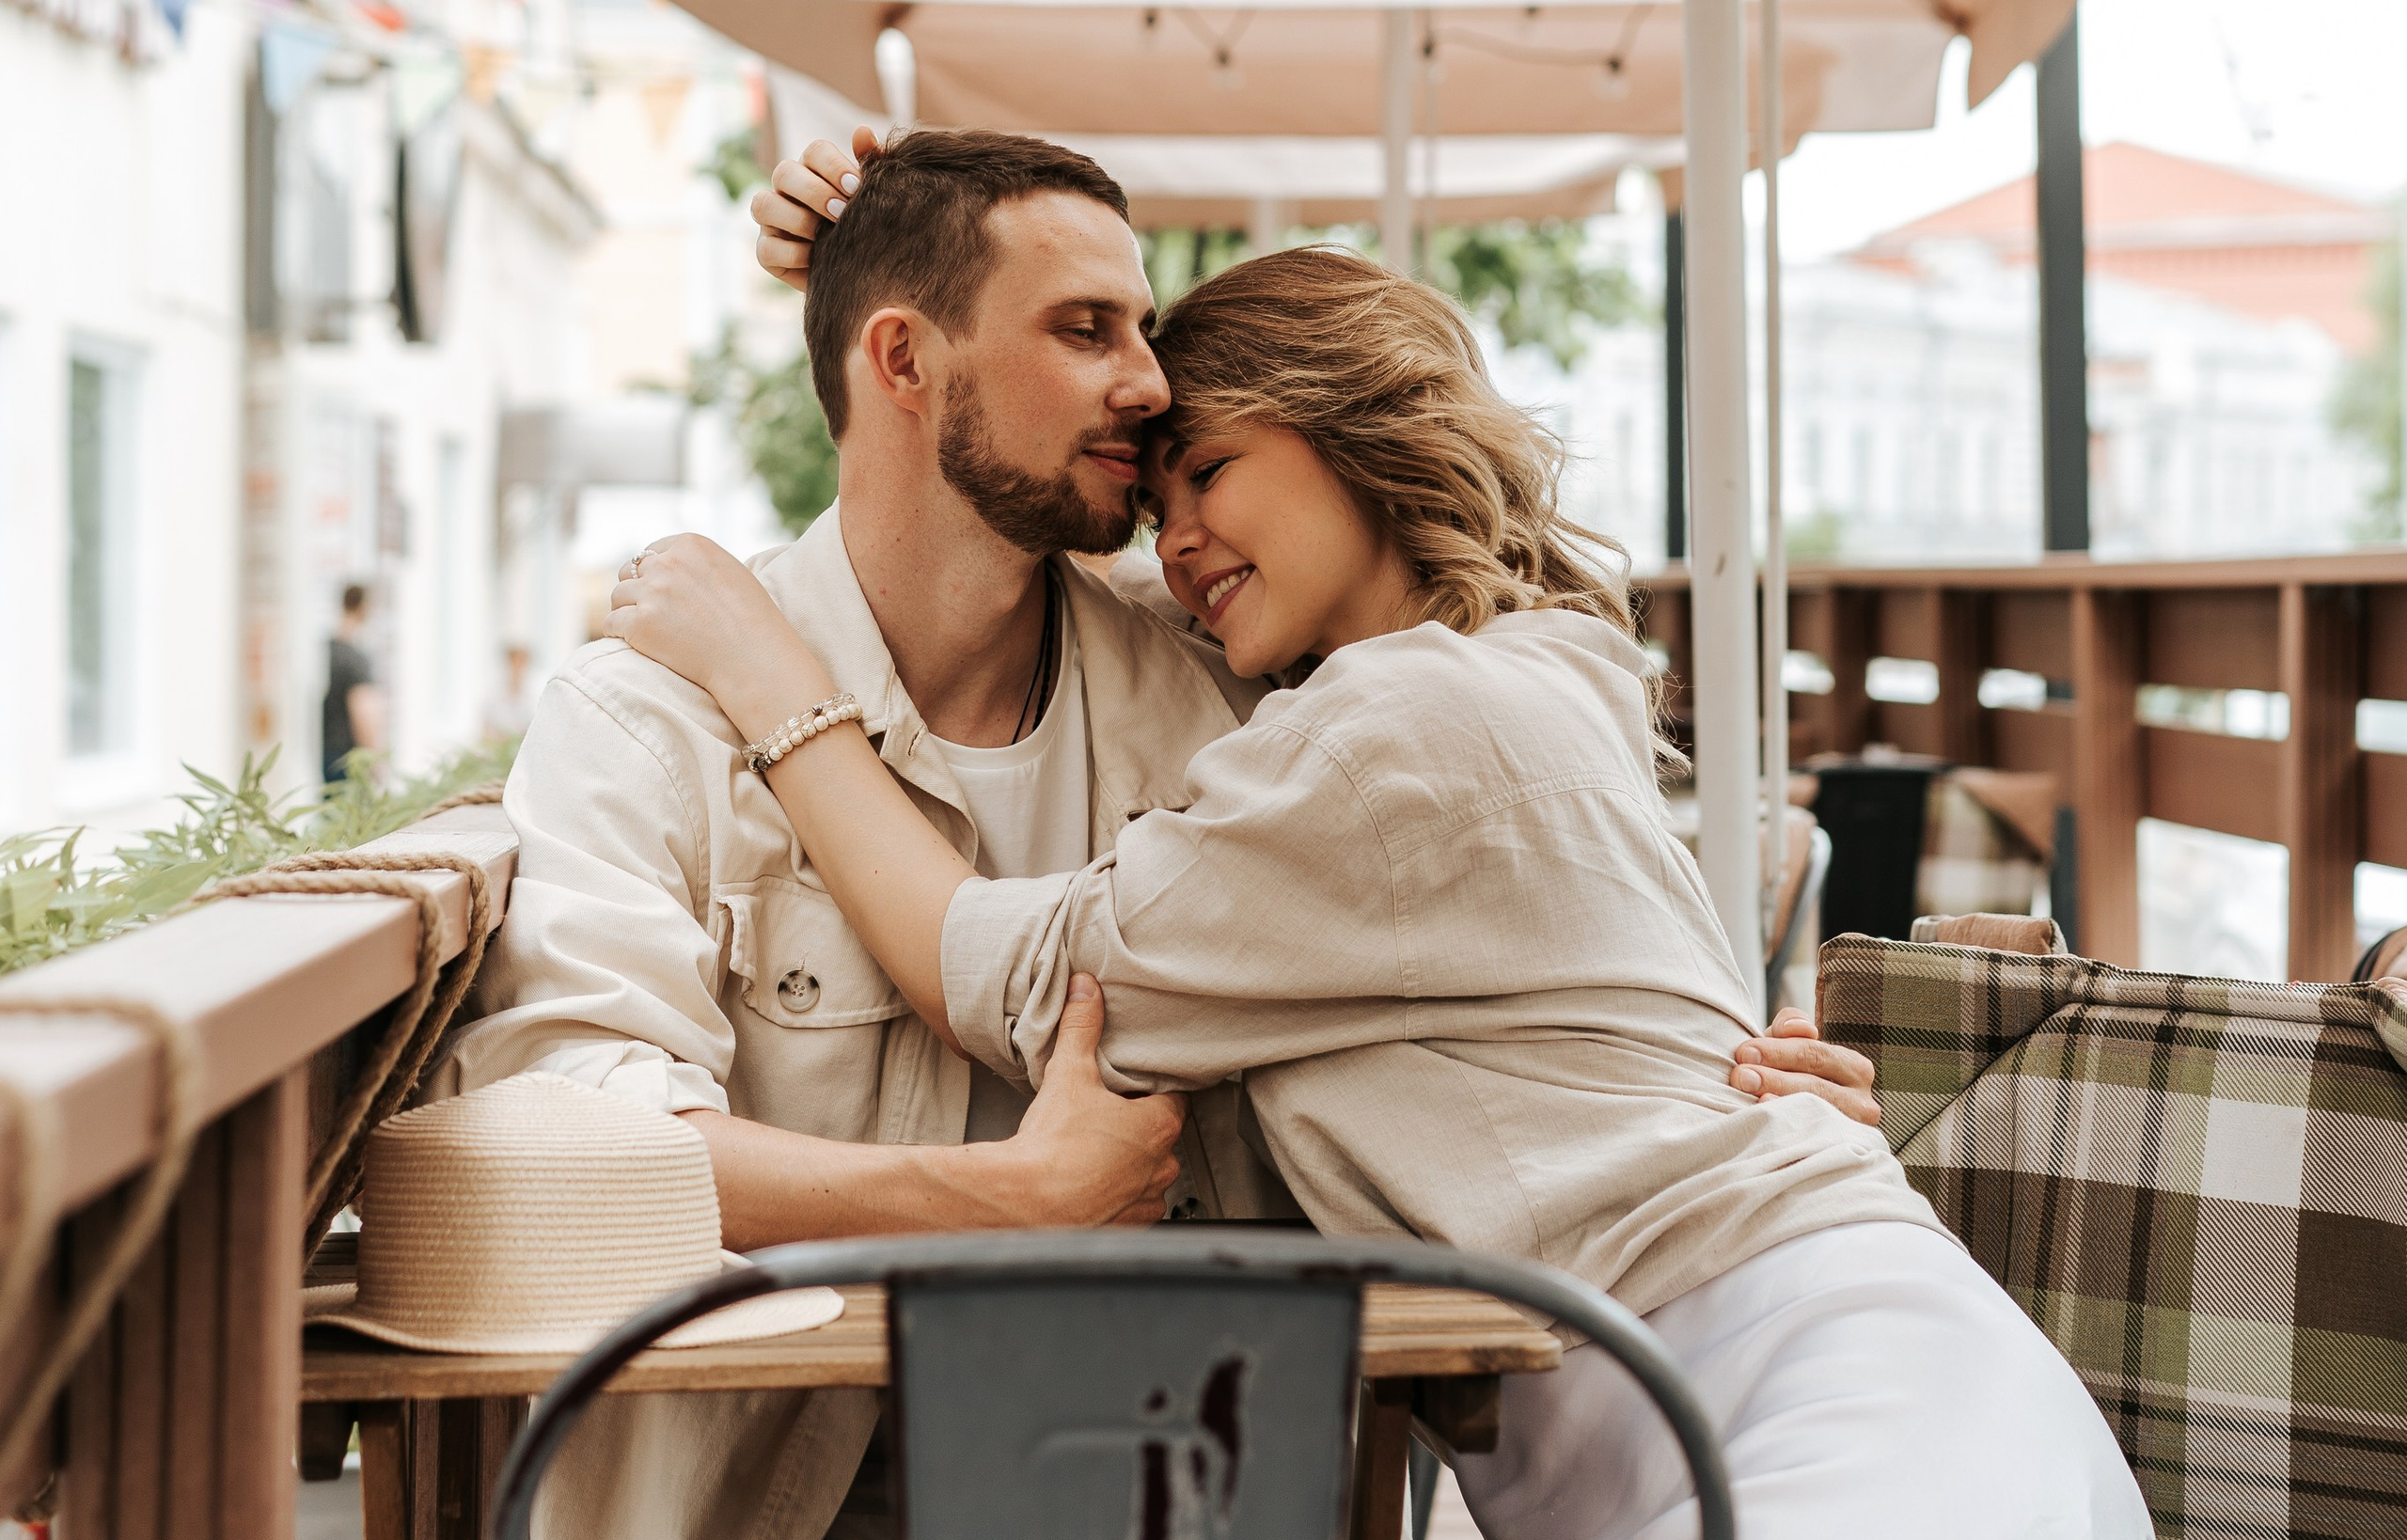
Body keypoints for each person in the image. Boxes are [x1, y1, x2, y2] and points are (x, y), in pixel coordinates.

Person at [608, 237, 2151, 1540]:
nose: (1180, 545)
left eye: (1212, 471)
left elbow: (1001, 977)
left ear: (1356, 432)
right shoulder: (1525, 671)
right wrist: (890, 262)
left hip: (1830, 1415)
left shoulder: (1392, 731)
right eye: (1156, 509)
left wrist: (773, 677)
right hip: (1837, 1372)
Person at [321, 582, 384, 787]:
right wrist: (375, 764)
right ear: (363, 607)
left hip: (325, 754)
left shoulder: (326, 650)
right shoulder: (356, 658)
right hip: (350, 760)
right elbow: (363, 714)